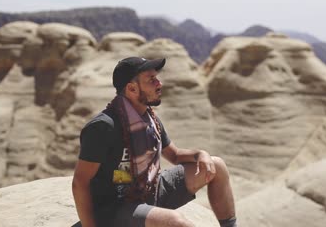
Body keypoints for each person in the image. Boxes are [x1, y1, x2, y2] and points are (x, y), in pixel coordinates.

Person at [72, 57, 237, 227]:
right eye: (151, 80)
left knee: (217, 165)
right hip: (116, 207)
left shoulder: (150, 118)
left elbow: (175, 155)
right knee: (176, 222)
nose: (159, 83)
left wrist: (201, 154)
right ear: (132, 88)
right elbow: (80, 182)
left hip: (149, 190)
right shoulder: (104, 126)